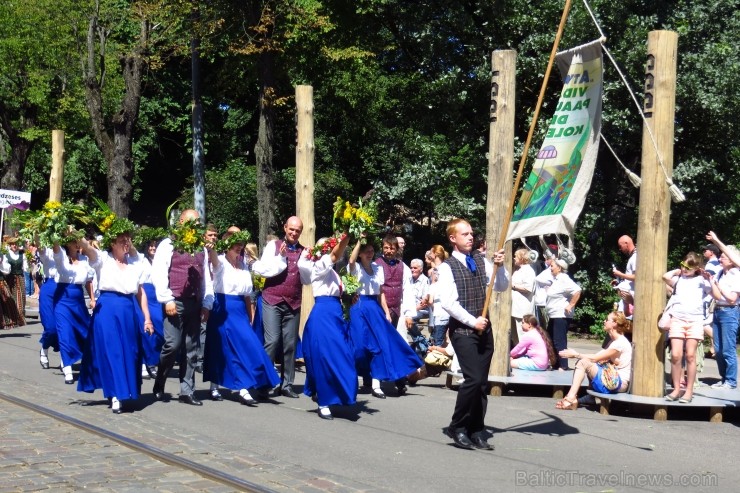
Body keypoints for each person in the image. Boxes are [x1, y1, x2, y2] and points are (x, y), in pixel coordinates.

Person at [437, 218, 508, 450]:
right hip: (463, 330)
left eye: (471, 233)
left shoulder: (480, 259)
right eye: (465, 234)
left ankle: (476, 428)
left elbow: (500, 286)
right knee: (473, 379)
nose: (470, 237)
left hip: (484, 329)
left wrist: (501, 266)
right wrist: (472, 321)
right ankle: (457, 426)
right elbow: (448, 302)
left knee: (482, 383)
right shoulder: (447, 266)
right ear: (452, 238)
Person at [77, 225, 154, 414]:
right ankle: (115, 394)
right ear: (112, 244)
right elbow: (87, 248)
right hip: (107, 310)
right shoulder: (103, 260)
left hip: (128, 310)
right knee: (113, 351)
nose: (126, 244)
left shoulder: (135, 263)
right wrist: (75, 234)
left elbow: (141, 292)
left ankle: (125, 390)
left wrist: (147, 318)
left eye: (128, 240)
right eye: (122, 241)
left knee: (130, 351)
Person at [203, 232, 280, 406]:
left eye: (241, 244)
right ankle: (226, 386)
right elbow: (214, 262)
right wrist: (212, 250)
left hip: (239, 310)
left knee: (250, 346)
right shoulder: (221, 262)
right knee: (220, 348)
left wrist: (250, 316)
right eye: (235, 244)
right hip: (222, 308)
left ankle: (254, 382)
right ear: (227, 246)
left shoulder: (244, 265)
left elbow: (246, 295)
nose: (239, 247)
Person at [151, 209, 214, 406]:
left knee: (191, 347)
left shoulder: (201, 249)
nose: (194, 227)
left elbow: (206, 278)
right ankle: (160, 379)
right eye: (191, 223)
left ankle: (187, 390)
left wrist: (206, 303)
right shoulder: (168, 245)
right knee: (172, 345)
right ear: (180, 223)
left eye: (197, 224)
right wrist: (167, 299)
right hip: (175, 300)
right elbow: (159, 273)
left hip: (194, 302)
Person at [348, 238, 423, 399]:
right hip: (360, 307)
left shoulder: (382, 268)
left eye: (371, 250)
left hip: (382, 310)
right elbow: (351, 260)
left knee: (384, 346)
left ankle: (388, 382)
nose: (370, 253)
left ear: (397, 249)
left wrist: (388, 312)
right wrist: (359, 239)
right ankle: (362, 376)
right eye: (385, 247)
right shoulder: (359, 267)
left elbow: (384, 292)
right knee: (360, 347)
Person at [299, 233, 356, 420]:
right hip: (323, 315)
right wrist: (348, 234)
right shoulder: (318, 267)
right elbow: (335, 254)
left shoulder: (333, 272)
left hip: (336, 315)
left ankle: (330, 393)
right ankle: (324, 401)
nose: (330, 250)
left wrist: (349, 296)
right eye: (326, 248)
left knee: (342, 356)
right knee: (326, 358)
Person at [252, 216, 305, 399]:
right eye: (291, 229)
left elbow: (306, 276)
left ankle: (287, 384)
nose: (294, 233)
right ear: (285, 228)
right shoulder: (272, 246)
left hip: (293, 303)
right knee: (272, 341)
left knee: (290, 345)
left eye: (297, 230)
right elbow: (265, 269)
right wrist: (280, 258)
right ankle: (262, 381)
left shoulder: (304, 251)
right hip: (272, 300)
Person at [555, 310, 632, 410]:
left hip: (617, 382)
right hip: (612, 379)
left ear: (614, 323)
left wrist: (576, 354)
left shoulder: (620, 343)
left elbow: (595, 358)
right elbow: (596, 357)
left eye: (607, 320)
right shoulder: (614, 341)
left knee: (583, 362)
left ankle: (571, 398)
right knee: (587, 361)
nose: (604, 322)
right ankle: (584, 398)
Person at [661, 253, 711, 403]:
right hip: (678, 319)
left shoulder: (702, 280)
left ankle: (689, 391)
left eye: (688, 267)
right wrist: (677, 270)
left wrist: (709, 279)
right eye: (683, 265)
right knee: (676, 355)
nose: (684, 269)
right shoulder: (679, 279)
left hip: (694, 321)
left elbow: (715, 293)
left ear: (697, 268)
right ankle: (676, 389)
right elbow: (665, 277)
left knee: (690, 355)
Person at [53, 236, 95, 384]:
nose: (77, 244)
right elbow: (57, 252)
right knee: (65, 332)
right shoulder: (62, 258)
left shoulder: (84, 260)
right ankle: (68, 367)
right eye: (73, 242)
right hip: (63, 299)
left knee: (86, 332)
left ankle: (89, 360)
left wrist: (92, 298)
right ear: (67, 243)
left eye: (78, 242)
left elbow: (89, 281)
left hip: (78, 301)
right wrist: (54, 235)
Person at [705, 232, 740, 390]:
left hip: (730, 312)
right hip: (718, 311)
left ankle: (731, 381)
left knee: (728, 349)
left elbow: (732, 299)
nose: (720, 259)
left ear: (731, 261)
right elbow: (717, 295)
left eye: (723, 257)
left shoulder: (736, 274)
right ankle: (724, 378)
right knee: (718, 350)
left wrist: (716, 240)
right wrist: (710, 282)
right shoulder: (720, 273)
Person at [133, 238, 165, 380]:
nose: (153, 248)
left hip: (157, 296)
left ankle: (154, 360)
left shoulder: (160, 261)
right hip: (145, 294)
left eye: (155, 246)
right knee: (147, 329)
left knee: (160, 328)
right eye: (150, 246)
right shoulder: (140, 258)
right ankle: (147, 364)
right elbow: (133, 250)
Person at [545, 258, 581, 371]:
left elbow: (577, 290)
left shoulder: (564, 278)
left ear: (559, 268)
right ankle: (555, 363)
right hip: (554, 314)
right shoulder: (556, 279)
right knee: (550, 338)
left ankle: (563, 365)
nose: (550, 268)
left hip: (561, 315)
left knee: (559, 340)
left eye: (552, 266)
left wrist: (570, 305)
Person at [196, 223, 219, 374]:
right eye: (210, 235)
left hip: (217, 294)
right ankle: (200, 360)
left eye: (215, 235)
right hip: (203, 294)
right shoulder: (199, 252)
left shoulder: (218, 253)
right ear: (204, 236)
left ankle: (212, 358)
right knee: (202, 328)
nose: (213, 238)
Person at [375, 235, 412, 331]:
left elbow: (407, 290)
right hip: (380, 309)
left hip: (396, 310)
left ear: (397, 250)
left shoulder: (403, 266)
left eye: (392, 248)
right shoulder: (375, 265)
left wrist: (409, 314)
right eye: (386, 248)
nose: (388, 251)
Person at [37, 246, 59, 369]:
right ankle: (44, 349)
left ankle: (65, 358)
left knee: (64, 327)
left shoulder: (68, 251)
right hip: (49, 288)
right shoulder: (47, 251)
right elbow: (40, 247)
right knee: (51, 327)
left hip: (65, 289)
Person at [511, 248, 536, 344]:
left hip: (522, 309)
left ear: (522, 258)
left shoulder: (529, 271)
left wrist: (512, 286)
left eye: (516, 256)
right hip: (515, 309)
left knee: (523, 335)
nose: (514, 258)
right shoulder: (518, 270)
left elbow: (528, 289)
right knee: (515, 336)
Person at [0, 237, 26, 328]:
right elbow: (5, 269)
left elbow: (26, 267)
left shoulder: (22, 254)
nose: (14, 246)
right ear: (10, 245)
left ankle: (20, 318)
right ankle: (11, 318)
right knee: (10, 298)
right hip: (9, 278)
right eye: (12, 244)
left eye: (15, 244)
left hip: (19, 277)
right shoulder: (6, 254)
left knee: (21, 297)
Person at [427, 245, 450, 346]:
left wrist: (431, 297)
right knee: (438, 339)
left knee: (438, 341)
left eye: (431, 252)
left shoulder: (442, 269)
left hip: (442, 310)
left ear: (435, 254)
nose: (429, 255)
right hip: (438, 309)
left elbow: (438, 286)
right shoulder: (438, 269)